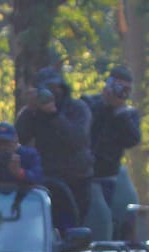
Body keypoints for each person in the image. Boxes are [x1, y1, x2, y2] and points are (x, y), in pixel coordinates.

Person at [15, 66, 94, 230]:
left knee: (75, 228)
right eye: (45, 89)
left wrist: (54, 114)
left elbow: (77, 140)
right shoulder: (34, 113)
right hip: (46, 179)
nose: (51, 93)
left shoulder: (78, 108)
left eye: (53, 88)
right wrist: (29, 110)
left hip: (77, 180)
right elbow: (19, 138)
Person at [81, 64, 142, 207]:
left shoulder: (128, 114)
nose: (123, 93)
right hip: (82, 174)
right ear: (109, 84)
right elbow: (84, 128)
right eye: (120, 88)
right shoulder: (88, 103)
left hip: (108, 175)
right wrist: (105, 104)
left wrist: (119, 112)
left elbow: (132, 140)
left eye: (127, 90)